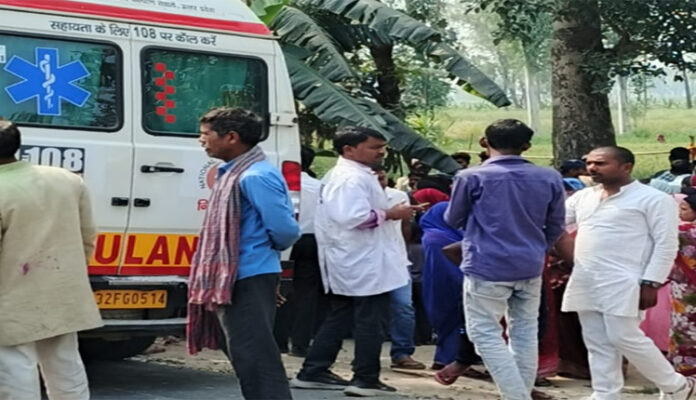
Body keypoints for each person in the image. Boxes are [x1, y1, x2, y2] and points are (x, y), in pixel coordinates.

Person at [291, 126, 418, 397]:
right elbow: (353, 217)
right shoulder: (349, 178)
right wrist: (392, 213)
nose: (381, 152)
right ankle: (365, 378)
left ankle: (313, 370)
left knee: (343, 314)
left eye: (382, 147)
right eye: (375, 147)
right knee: (371, 318)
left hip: (359, 258)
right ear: (349, 149)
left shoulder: (358, 175)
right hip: (361, 260)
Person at [443, 119, 566, 400]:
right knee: (524, 332)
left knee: (484, 333)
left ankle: (516, 395)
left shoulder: (470, 177)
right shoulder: (549, 177)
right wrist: (539, 248)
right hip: (530, 264)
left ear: (484, 143)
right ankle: (519, 392)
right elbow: (556, 225)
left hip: (486, 264)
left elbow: (453, 218)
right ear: (527, 146)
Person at [563, 146, 695, 400]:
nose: (592, 168)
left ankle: (678, 386)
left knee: (624, 336)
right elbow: (555, 219)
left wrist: (651, 282)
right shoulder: (583, 197)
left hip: (627, 280)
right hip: (587, 278)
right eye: (589, 163)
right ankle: (605, 392)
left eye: (601, 163)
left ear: (626, 167)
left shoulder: (653, 199)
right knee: (596, 340)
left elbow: (666, 244)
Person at [187, 107, 300, 400]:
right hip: (233, 275)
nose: (201, 140)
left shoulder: (255, 176)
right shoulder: (234, 172)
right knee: (245, 353)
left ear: (232, 137)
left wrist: (261, 253)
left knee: (255, 357)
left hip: (248, 274)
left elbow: (286, 230)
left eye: (206, 134)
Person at [0, 120, 103, 400]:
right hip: (63, 292)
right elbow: (87, 237)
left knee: (15, 370)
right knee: (66, 367)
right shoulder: (66, 179)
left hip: (10, 299)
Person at [374, 166, 426, 370]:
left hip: (396, 259)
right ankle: (367, 355)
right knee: (369, 309)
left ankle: (402, 352)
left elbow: (405, 226)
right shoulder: (359, 197)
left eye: (382, 176)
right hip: (368, 260)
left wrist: (403, 251)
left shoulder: (398, 196)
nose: (380, 180)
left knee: (404, 306)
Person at [420, 203, 479, 371]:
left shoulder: (434, 234)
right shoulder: (439, 238)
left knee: (449, 325)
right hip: (451, 287)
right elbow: (449, 268)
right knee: (456, 323)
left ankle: (444, 359)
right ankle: (451, 361)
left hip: (437, 289)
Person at [287, 146, 327, 357]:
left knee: (277, 288)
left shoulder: (279, 182)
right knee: (306, 294)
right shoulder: (319, 186)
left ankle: (278, 340)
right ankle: (300, 344)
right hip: (311, 240)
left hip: (284, 238)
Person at [669, 193, 696, 377]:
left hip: (686, 291)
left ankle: (686, 370)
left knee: (685, 330)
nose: (680, 213)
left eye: (684, 209)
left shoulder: (684, 232)